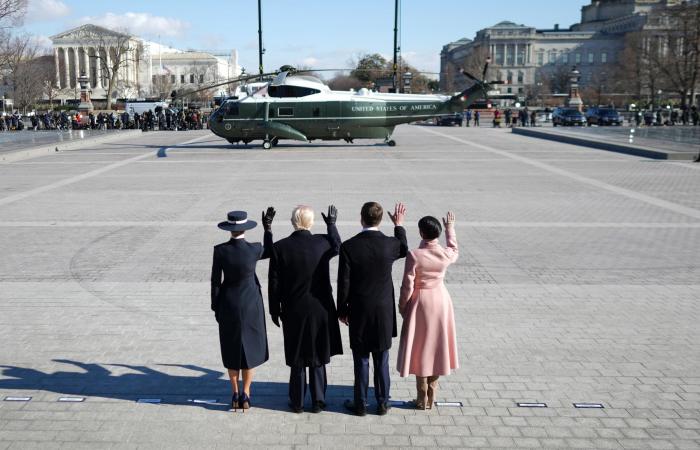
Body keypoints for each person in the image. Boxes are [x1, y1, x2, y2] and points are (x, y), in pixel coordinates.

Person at [268, 205, 343, 414]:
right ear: (310, 223)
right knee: (318, 353)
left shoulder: (280, 247)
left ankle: (297, 401)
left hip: (293, 310)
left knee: (298, 355)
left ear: (293, 222)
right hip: (321, 308)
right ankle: (318, 400)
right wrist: (332, 226)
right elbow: (338, 246)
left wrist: (274, 310)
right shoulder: (322, 242)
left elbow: (273, 283)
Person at [338, 202, 408, 416]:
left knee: (361, 359)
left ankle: (360, 404)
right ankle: (383, 402)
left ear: (361, 218)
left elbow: (344, 282)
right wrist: (399, 226)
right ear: (380, 220)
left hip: (359, 309)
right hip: (383, 311)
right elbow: (404, 249)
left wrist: (342, 309)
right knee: (382, 358)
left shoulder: (349, 246)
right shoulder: (390, 244)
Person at [211, 208, 275, 412]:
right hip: (251, 305)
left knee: (231, 350)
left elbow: (215, 282)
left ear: (229, 229)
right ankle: (246, 393)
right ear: (246, 227)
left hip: (228, 304)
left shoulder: (220, 250)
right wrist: (268, 228)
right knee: (250, 349)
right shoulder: (254, 249)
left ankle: (234, 393)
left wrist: (215, 306)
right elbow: (270, 251)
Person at [396, 212, 459, 410]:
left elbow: (407, 284)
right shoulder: (445, 254)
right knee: (438, 345)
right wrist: (450, 228)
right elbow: (454, 248)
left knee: (419, 347)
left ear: (421, 233)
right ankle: (432, 392)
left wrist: (403, 306)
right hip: (441, 300)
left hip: (420, 301)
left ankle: (421, 395)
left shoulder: (415, 255)